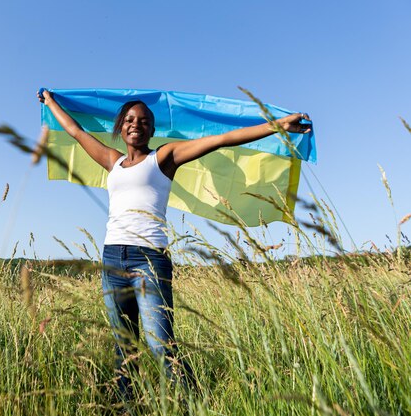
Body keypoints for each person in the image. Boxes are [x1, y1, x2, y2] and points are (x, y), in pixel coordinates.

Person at [37, 90, 311, 400]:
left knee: (159, 344)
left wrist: (277, 126)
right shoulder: (112, 162)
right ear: (120, 127)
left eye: (143, 121)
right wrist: (50, 102)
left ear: (152, 130)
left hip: (149, 260)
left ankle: (195, 403)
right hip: (112, 259)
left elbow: (223, 139)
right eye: (128, 120)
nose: (135, 124)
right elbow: (75, 131)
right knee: (123, 344)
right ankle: (128, 406)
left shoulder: (163, 157)